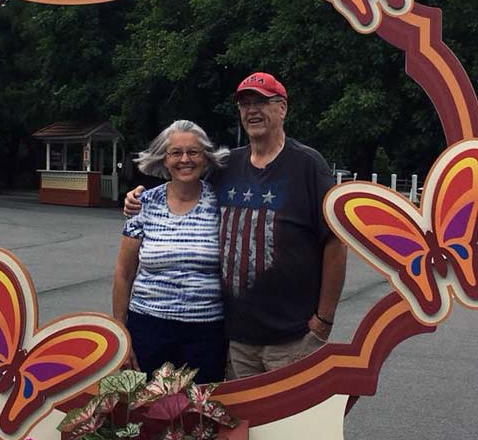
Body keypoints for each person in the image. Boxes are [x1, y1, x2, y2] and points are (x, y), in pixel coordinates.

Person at [124, 72, 347, 379]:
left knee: (289, 424)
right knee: (241, 423)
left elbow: (335, 242)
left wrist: (323, 320)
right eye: (245, 104)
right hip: (236, 338)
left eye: (261, 102)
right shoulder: (227, 167)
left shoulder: (308, 165)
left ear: (282, 108)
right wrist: (138, 199)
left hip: (292, 337)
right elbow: (185, 189)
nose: (252, 110)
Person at [113, 119, 229, 383]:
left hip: (206, 334)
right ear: (164, 159)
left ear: (206, 158)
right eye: (176, 152)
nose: (184, 159)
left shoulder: (222, 203)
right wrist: (121, 334)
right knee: (147, 412)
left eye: (193, 152)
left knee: (199, 415)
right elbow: (123, 273)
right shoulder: (143, 204)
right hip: (149, 329)